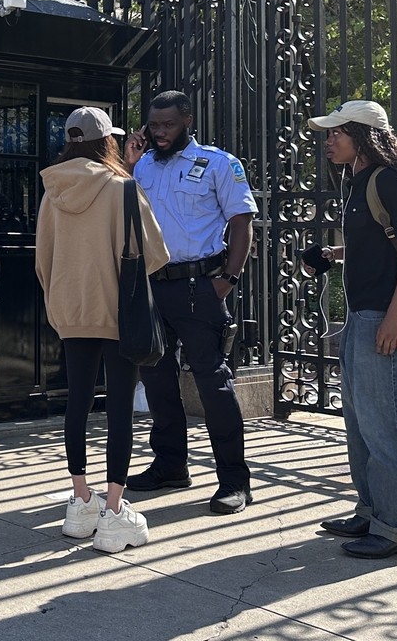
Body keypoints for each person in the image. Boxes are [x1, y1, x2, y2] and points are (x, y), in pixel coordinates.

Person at [35, 108, 169, 552]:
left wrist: (62, 297)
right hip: (117, 312)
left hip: (71, 310)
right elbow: (154, 255)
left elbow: (43, 261)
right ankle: (114, 511)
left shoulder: (52, 190)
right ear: (105, 141)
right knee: (118, 410)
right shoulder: (122, 188)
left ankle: (80, 502)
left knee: (76, 401)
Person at [303, 100, 397, 559]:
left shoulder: (387, 181)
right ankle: (371, 511)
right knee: (359, 425)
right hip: (363, 316)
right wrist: (332, 256)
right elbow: (380, 247)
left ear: (364, 135)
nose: (328, 139)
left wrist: (395, 316)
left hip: (386, 317)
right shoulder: (356, 182)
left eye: (338, 132)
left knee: (386, 428)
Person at [122, 90, 257, 514]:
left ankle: (234, 480)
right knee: (156, 379)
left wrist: (229, 279)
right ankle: (170, 465)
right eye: (154, 125)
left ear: (188, 121)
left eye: (168, 125)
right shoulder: (141, 166)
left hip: (200, 286)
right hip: (151, 287)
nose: (160, 133)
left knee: (213, 384)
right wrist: (127, 162)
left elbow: (241, 222)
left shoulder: (219, 163)